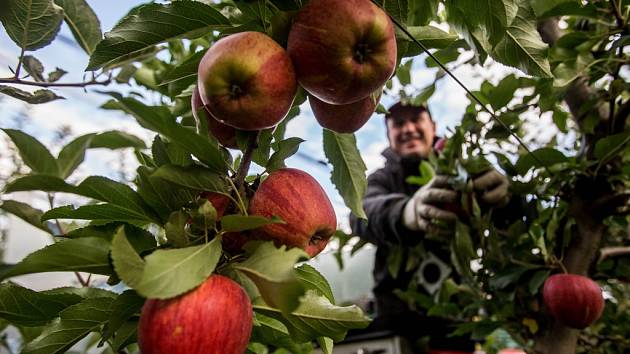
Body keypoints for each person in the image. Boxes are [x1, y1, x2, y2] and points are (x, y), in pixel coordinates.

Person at [349, 102, 513, 353]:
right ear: (389, 136)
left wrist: (507, 201)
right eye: (399, 124)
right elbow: (361, 213)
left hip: (453, 320)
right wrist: (405, 212)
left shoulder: (460, 168)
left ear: (433, 126)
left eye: (416, 119)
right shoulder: (383, 178)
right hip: (398, 321)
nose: (409, 129)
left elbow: (506, 225)